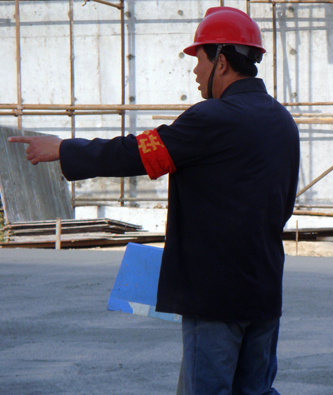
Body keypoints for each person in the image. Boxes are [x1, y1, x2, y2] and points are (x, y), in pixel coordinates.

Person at [10, 7, 299, 395]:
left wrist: (64, 149)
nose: (195, 72)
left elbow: (137, 152)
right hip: (264, 287)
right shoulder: (282, 121)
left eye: (198, 60)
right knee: (256, 391)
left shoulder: (211, 118)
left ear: (223, 61)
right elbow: (283, 206)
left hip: (214, 296)